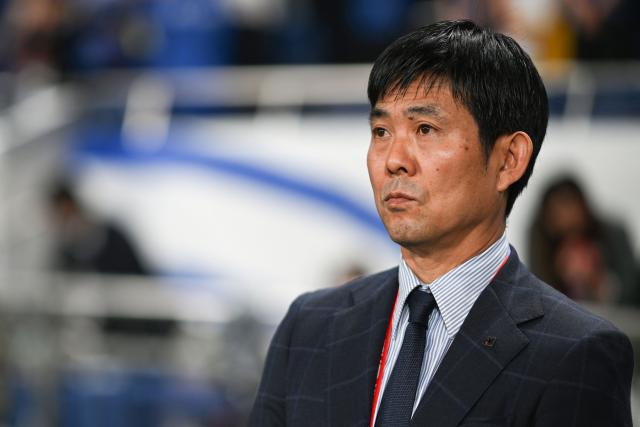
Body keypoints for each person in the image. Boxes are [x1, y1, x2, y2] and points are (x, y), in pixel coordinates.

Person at [249, 20, 633, 427]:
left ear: (508, 160)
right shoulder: (308, 327)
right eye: (381, 131)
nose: (393, 159)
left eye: (425, 129)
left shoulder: (574, 353)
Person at [528, 175, 639, 305]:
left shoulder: (613, 235)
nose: (567, 219)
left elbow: (631, 290)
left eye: (569, 205)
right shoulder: (541, 245)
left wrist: (599, 281)